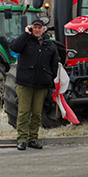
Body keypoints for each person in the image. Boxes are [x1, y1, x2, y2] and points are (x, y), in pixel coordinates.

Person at [9, 18, 60, 151]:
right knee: (24, 112)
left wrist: (52, 80)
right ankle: (22, 139)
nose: (37, 30)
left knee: (37, 114)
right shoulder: (25, 41)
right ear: (31, 28)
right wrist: (25, 34)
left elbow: (54, 64)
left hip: (41, 85)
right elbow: (14, 47)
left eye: (39, 28)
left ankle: (33, 139)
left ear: (43, 29)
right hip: (25, 83)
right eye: (35, 27)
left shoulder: (50, 45)